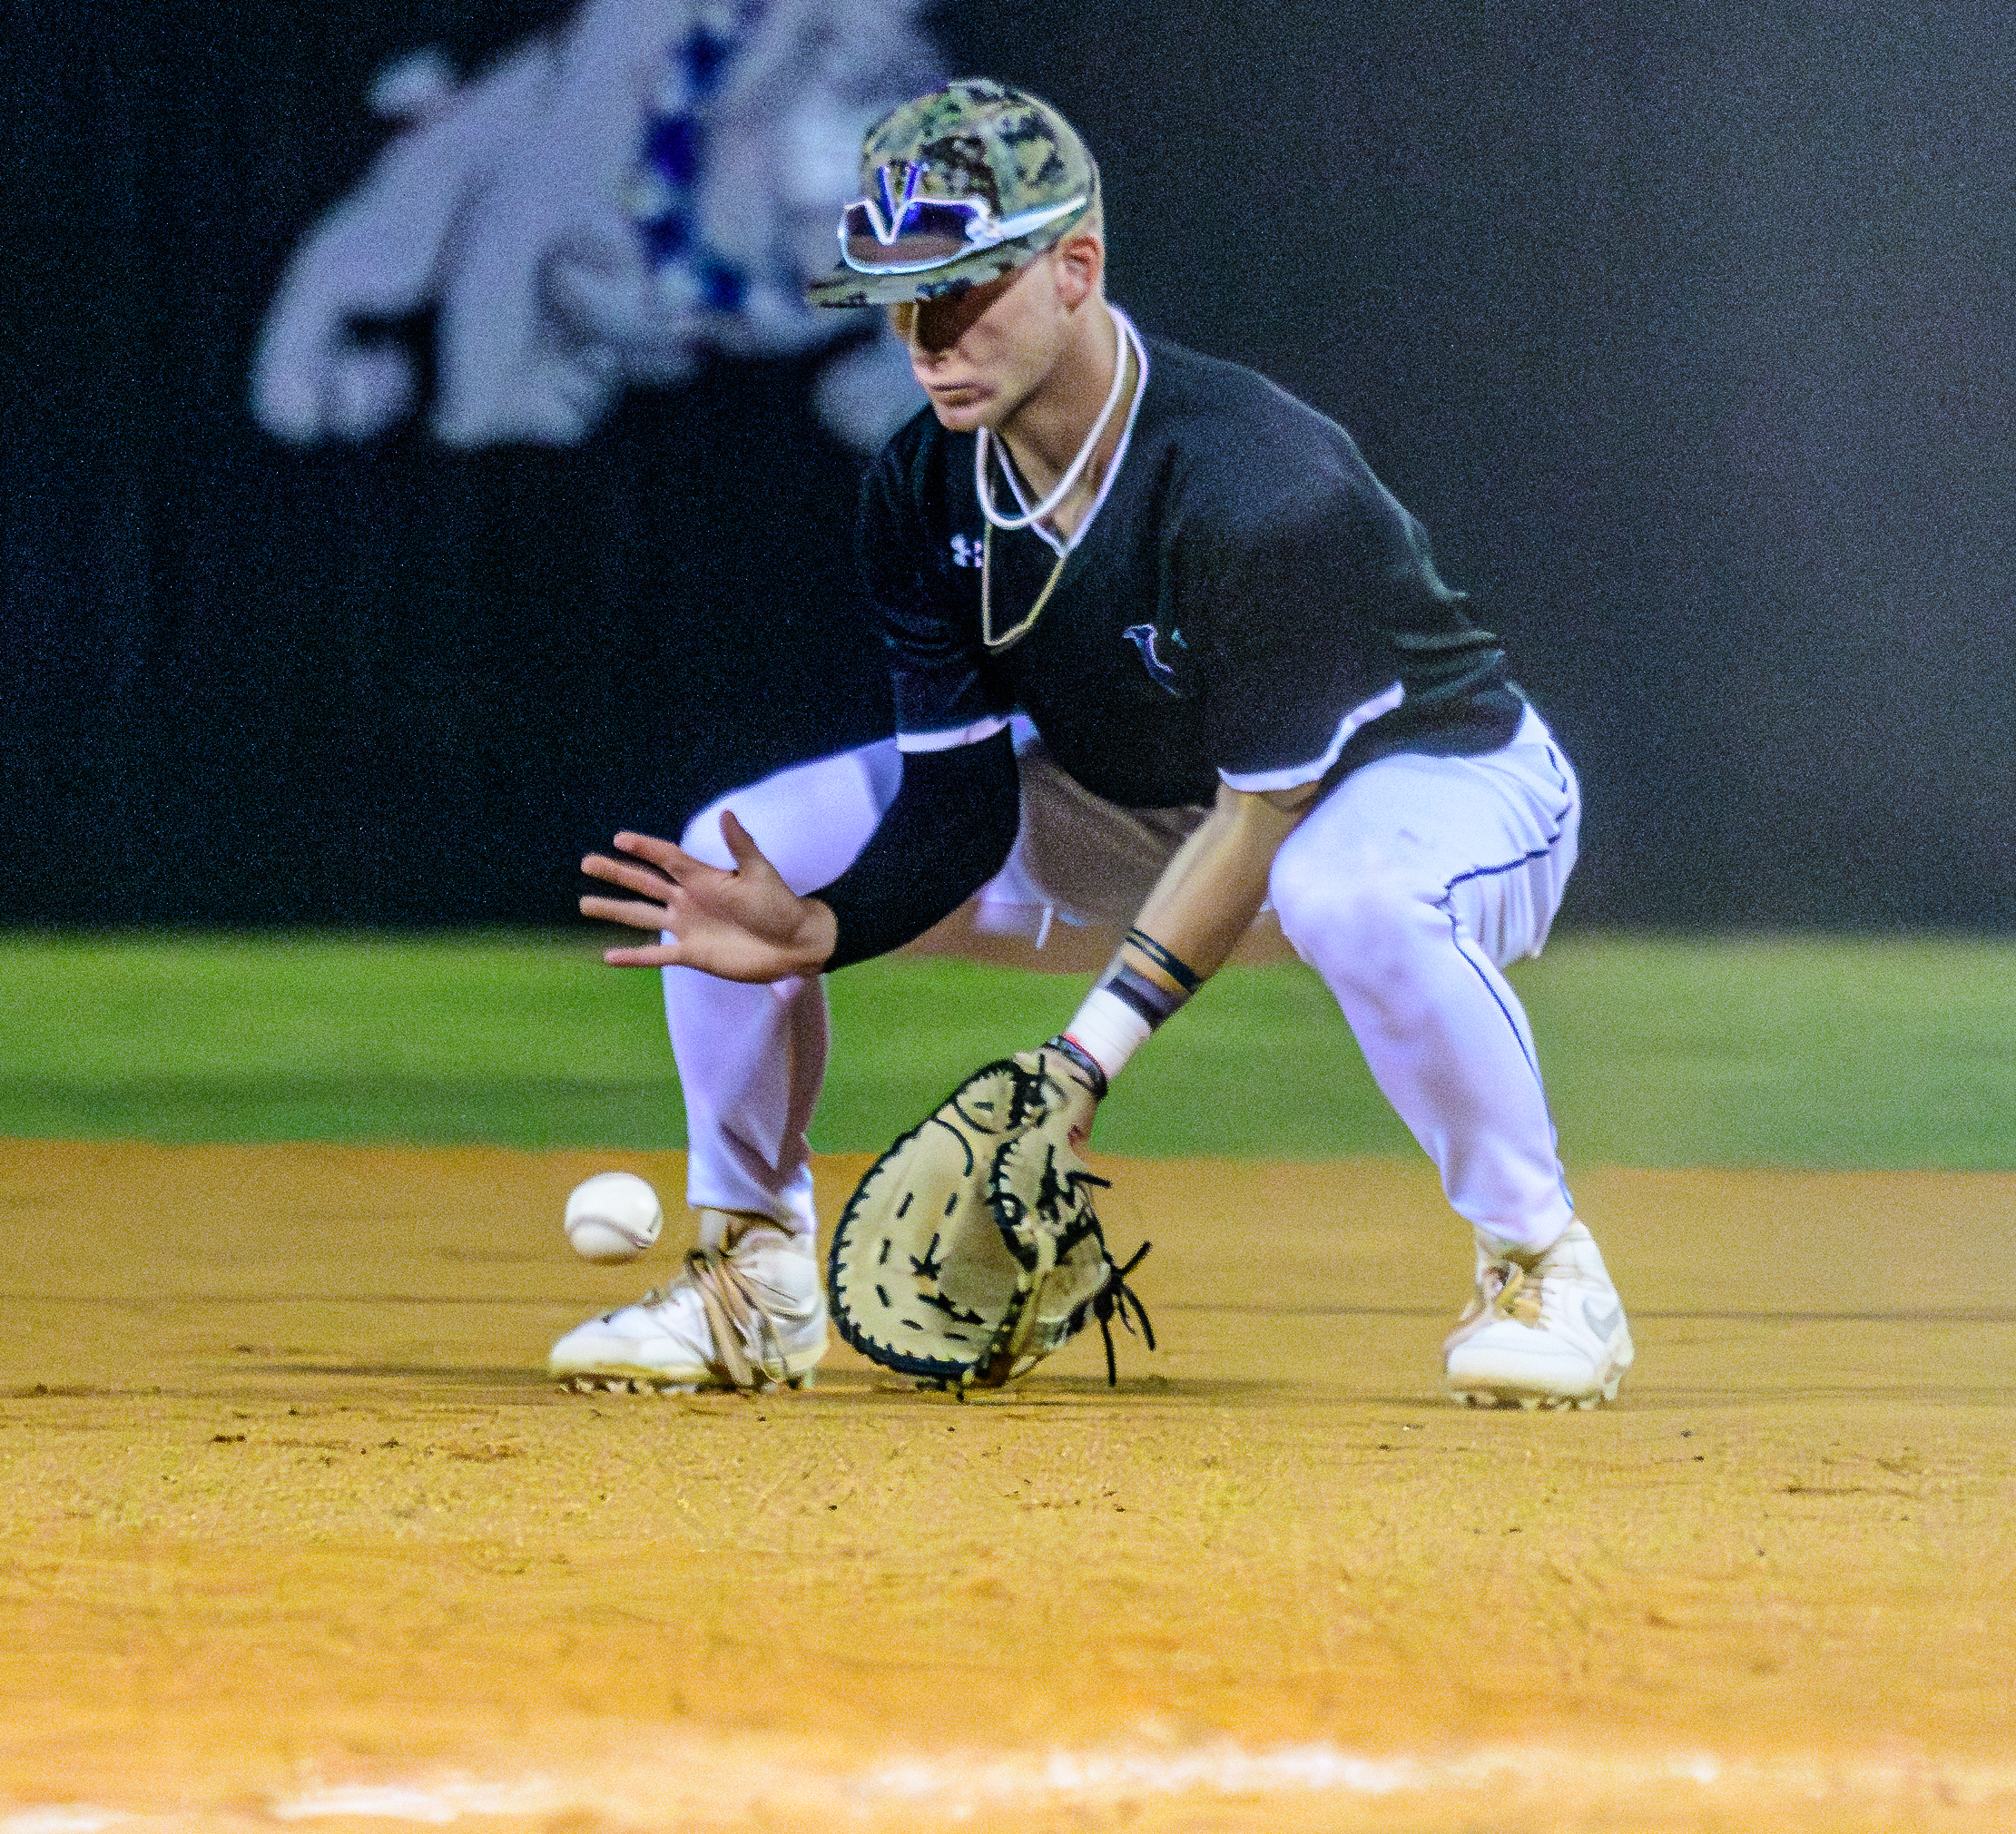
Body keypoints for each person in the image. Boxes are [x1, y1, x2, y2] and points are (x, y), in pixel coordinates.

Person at [557, 80, 1630, 1407]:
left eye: (961, 290)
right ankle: (749, 1283)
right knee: (742, 853)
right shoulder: (920, 482)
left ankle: (1543, 1262)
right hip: (1141, 809)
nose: (925, 337)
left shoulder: (1253, 482)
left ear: (1075, 268)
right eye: (901, 299)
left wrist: (1080, 1065)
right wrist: (819, 926)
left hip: (1422, 791)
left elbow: (1262, 815)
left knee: (1343, 888)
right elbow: (957, 801)